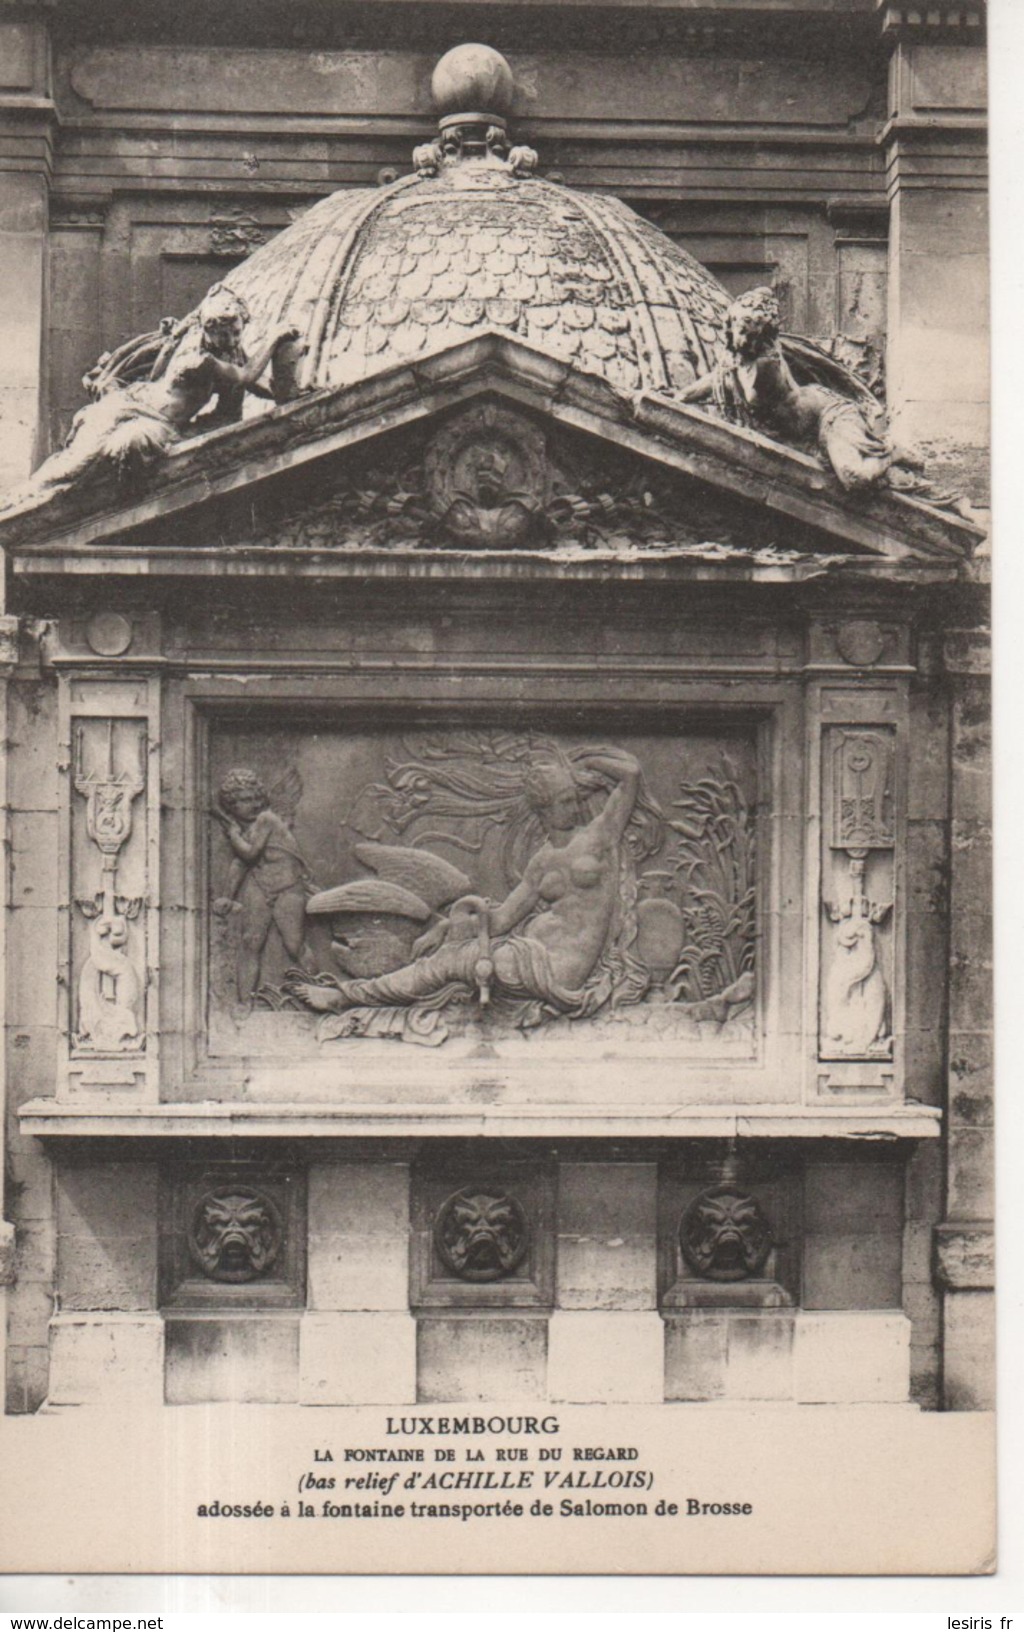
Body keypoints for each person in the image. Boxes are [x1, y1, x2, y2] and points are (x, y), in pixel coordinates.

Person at [291, 748, 642, 1018]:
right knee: (447, 955)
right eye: (566, 801)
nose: (577, 807)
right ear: (544, 809)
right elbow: (503, 919)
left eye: (576, 798)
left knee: (443, 965)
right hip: (528, 956)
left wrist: (577, 761)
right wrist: (446, 925)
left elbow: (631, 774)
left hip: (560, 970)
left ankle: (347, 996)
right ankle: (358, 993)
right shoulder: (541, 862)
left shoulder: (599, 836)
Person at [1, 285, 303, 506]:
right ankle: (18, 498)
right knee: (76, 464)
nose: (231, 340)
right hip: (130, 409)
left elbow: (259, 384)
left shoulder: (228, 351)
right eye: (223, 334)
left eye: (237, 332)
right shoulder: (200, 360)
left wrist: (292, 390)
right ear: (207, 331)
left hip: (161, 422)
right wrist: (275, 338)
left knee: (93, 464)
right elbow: (246, 376)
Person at [211, 767, 314, 1006]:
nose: (254, 804)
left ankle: (320, 995)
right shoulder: (250, 827)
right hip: (260, 885)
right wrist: (227, 896)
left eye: (256, 797)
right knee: (250, 942)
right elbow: (239, 864)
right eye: (245, 800)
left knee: (294, 945)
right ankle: (244, 1004)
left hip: (288, 888)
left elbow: (249, 853)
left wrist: (233, 836)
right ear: (232, 805)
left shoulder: (266, 819)